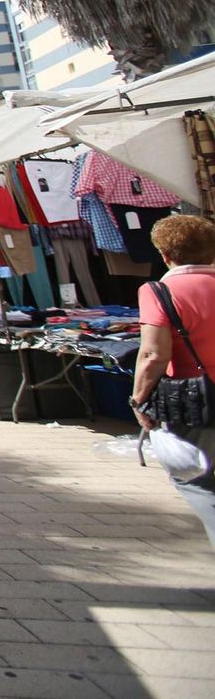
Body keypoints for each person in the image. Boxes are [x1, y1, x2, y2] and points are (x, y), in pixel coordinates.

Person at [131, 214, 215, 550]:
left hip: (197, 402)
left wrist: (138, 400)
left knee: (199, 481)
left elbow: (153, 355)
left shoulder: (160, 291)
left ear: (165, 255)